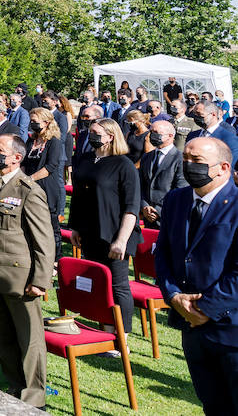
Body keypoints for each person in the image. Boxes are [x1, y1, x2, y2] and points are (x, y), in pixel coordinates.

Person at [155, 137, 238, 416]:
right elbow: (163, 253)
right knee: (212, 404)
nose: (188, 166)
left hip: (230, 327)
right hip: (190, 324)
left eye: (197, 162)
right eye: (186, 159)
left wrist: (204, 307)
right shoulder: (176, 199)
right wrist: (174, 296)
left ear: (223, 168)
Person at [0, 133, 54, 408]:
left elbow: (43, 240)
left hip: (20, 277)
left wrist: (40, 280)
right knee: (3, 334)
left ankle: (34, 396)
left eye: (0, 149)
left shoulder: (28, 190)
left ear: (16, 158)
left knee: (29, 338)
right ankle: (14, 384)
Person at [68, 118, 141, 334]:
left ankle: (122, 335)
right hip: (90, 230)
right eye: (90, 131)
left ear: (110, 136)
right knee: (99, 282)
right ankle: (107, 328)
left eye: (96, 132)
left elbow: (131, 207)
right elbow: (79, 197)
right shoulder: (86, 159)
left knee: (118, 285)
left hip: (115, 233)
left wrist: (121, 240)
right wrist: (76, 227)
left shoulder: (123, 164)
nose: (91, 135)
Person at [21, 107, 66, 260]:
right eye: (31, 121)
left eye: (35, 121)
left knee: (51, 225)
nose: (32, 124)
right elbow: (24, 161)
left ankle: (55, 259)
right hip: (28, 186)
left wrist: (30, 179)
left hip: (46, 187)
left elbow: (50, 167)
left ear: (46, 122)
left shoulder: (54, 142)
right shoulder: (31, 140)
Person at [139, 118, 184, 228]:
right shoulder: (147, 157)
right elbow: (140, 184)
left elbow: (180, 189)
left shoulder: (180, 158)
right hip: (148, 215)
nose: (151, 136)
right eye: (151, 132)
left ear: (170, 136)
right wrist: (144, 206)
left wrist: (158, 210)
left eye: (156, 133)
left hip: (169, 216)